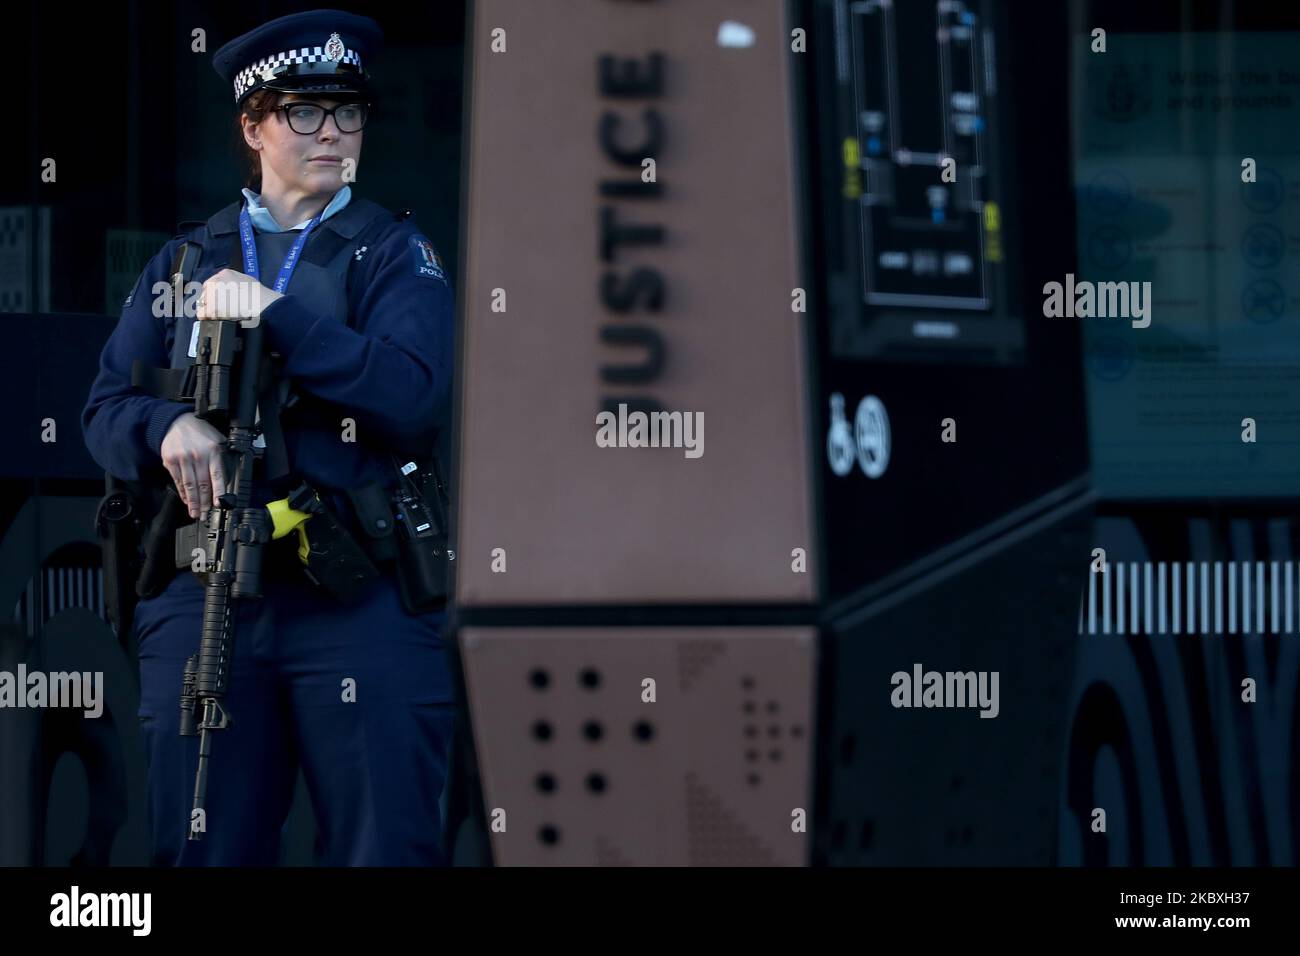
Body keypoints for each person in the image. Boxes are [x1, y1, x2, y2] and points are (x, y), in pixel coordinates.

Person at [80, 9, 457, 866]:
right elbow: (102, 409)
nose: (333, 132)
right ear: (253, 125)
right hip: (211, 591)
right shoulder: (185, 262)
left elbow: (413, 393)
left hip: (357, 591)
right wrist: (165, 421)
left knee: (384, 848)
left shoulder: (394, 254)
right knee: (205, 847)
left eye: (349, 111)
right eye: (304, 111)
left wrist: (278, 316)